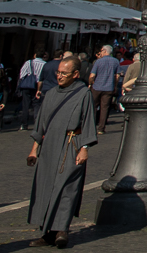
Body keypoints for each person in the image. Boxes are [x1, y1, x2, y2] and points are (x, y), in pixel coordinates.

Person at [26, 55, 97, 245]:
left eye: (63, 73)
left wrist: (84, 148)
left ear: (75, 74)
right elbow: (40, 125)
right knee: (46, 186)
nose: (59, 76)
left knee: (67, 187)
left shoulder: (84, 94)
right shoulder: (50, 94)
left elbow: (88, 122)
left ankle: (61, 230)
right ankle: (47, 231)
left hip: (71, 145)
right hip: (49, 145)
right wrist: (34, 150)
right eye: (58, 72)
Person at [87, 45, 119, 131]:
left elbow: (92, 75)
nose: (100, 52)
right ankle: (101, 128)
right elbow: (117, 76)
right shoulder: (116, 61)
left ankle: (91, 127)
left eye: (101, 50)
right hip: (109, 87)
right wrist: (115, 86)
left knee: (93, 106)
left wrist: (90, 83)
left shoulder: (98, 62)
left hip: (97, 87)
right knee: (104, 108)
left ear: (104, 51)